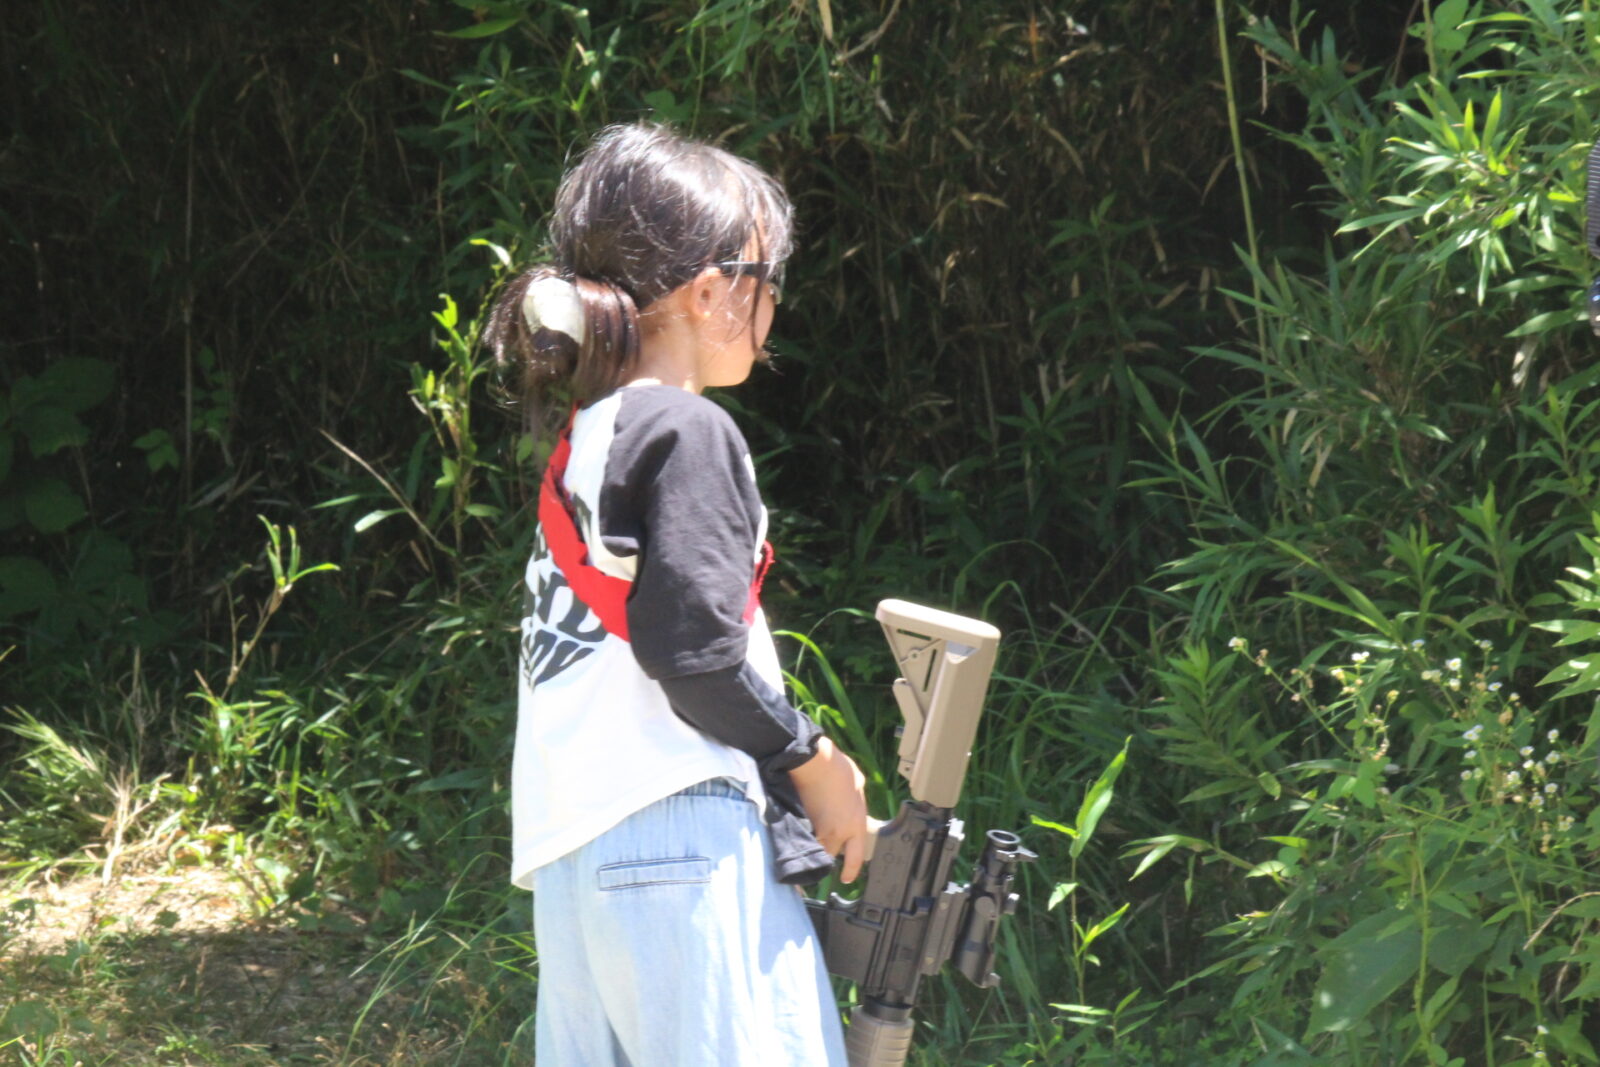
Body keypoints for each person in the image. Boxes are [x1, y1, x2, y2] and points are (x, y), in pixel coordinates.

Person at [485, 122, 869, 1066]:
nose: (771, 309)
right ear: (710, 292)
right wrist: (812, 757)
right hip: (681, 834)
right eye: (767, 281)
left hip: (573, 857)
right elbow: (692, 653)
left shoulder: (590, 439)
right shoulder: (688, 430)